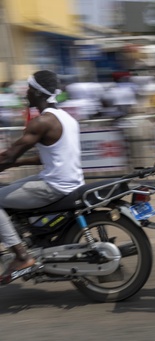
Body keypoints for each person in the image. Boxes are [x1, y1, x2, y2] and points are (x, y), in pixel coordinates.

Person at [0, 70, 84, 284]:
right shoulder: (67, 118)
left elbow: (9, 154)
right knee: (6, 190)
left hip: (55, 186)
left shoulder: (42, 122)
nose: (25, 93)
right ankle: (28, 239)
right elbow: (46, 157)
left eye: (28, 89)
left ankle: (22, 257)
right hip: (69, 182)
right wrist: (16, 163)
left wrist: (10, 161)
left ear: (37, 92)